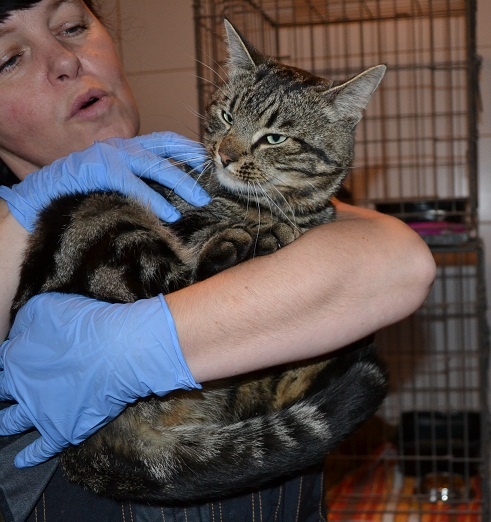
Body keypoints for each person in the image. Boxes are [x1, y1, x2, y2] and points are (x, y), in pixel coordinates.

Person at [0, 0, 436, 520]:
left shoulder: (186, 173)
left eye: (72, 27)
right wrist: (22, 218)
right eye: (9, 58)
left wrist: (130, 346)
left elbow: (400, 260)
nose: (64, 61)